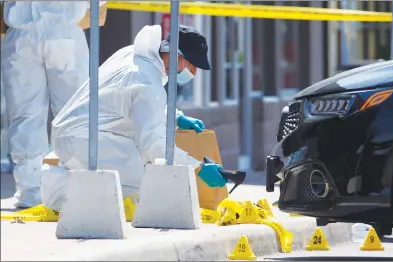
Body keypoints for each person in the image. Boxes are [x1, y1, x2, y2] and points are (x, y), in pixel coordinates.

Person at [41, 24, 227, 211]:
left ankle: (68, 183)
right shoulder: (146, 81)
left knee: (140, 172)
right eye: (192, 66)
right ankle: (58, 188)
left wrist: (176, 118)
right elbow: (153, 145)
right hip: (81, 140)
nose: (193, 74)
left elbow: (133, 102)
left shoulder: (135, 56)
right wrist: (198, 168)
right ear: (177, 55)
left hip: (78, 132)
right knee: (143, 183)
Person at [1, 2, 90, 208]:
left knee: (25, 117)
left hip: (21, 34)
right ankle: (74, 187)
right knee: (73, 114)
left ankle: (30, 192)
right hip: (64, 31)